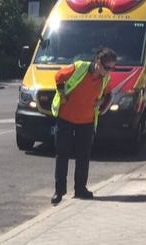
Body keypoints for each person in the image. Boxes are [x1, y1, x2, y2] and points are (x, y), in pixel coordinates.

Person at [50, 47, 115, 205]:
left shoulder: (105, 79)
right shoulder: (79, 67)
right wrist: (62, 93)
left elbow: (108, 94)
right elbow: (58, 76)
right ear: (98, 62)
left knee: (83, 157)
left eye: (112, 68)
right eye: (106, 67)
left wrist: (102, 103)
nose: (108, 71)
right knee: (62, 155)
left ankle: (80, 189)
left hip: (86, 121)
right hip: (66, 118)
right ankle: (59, 191)